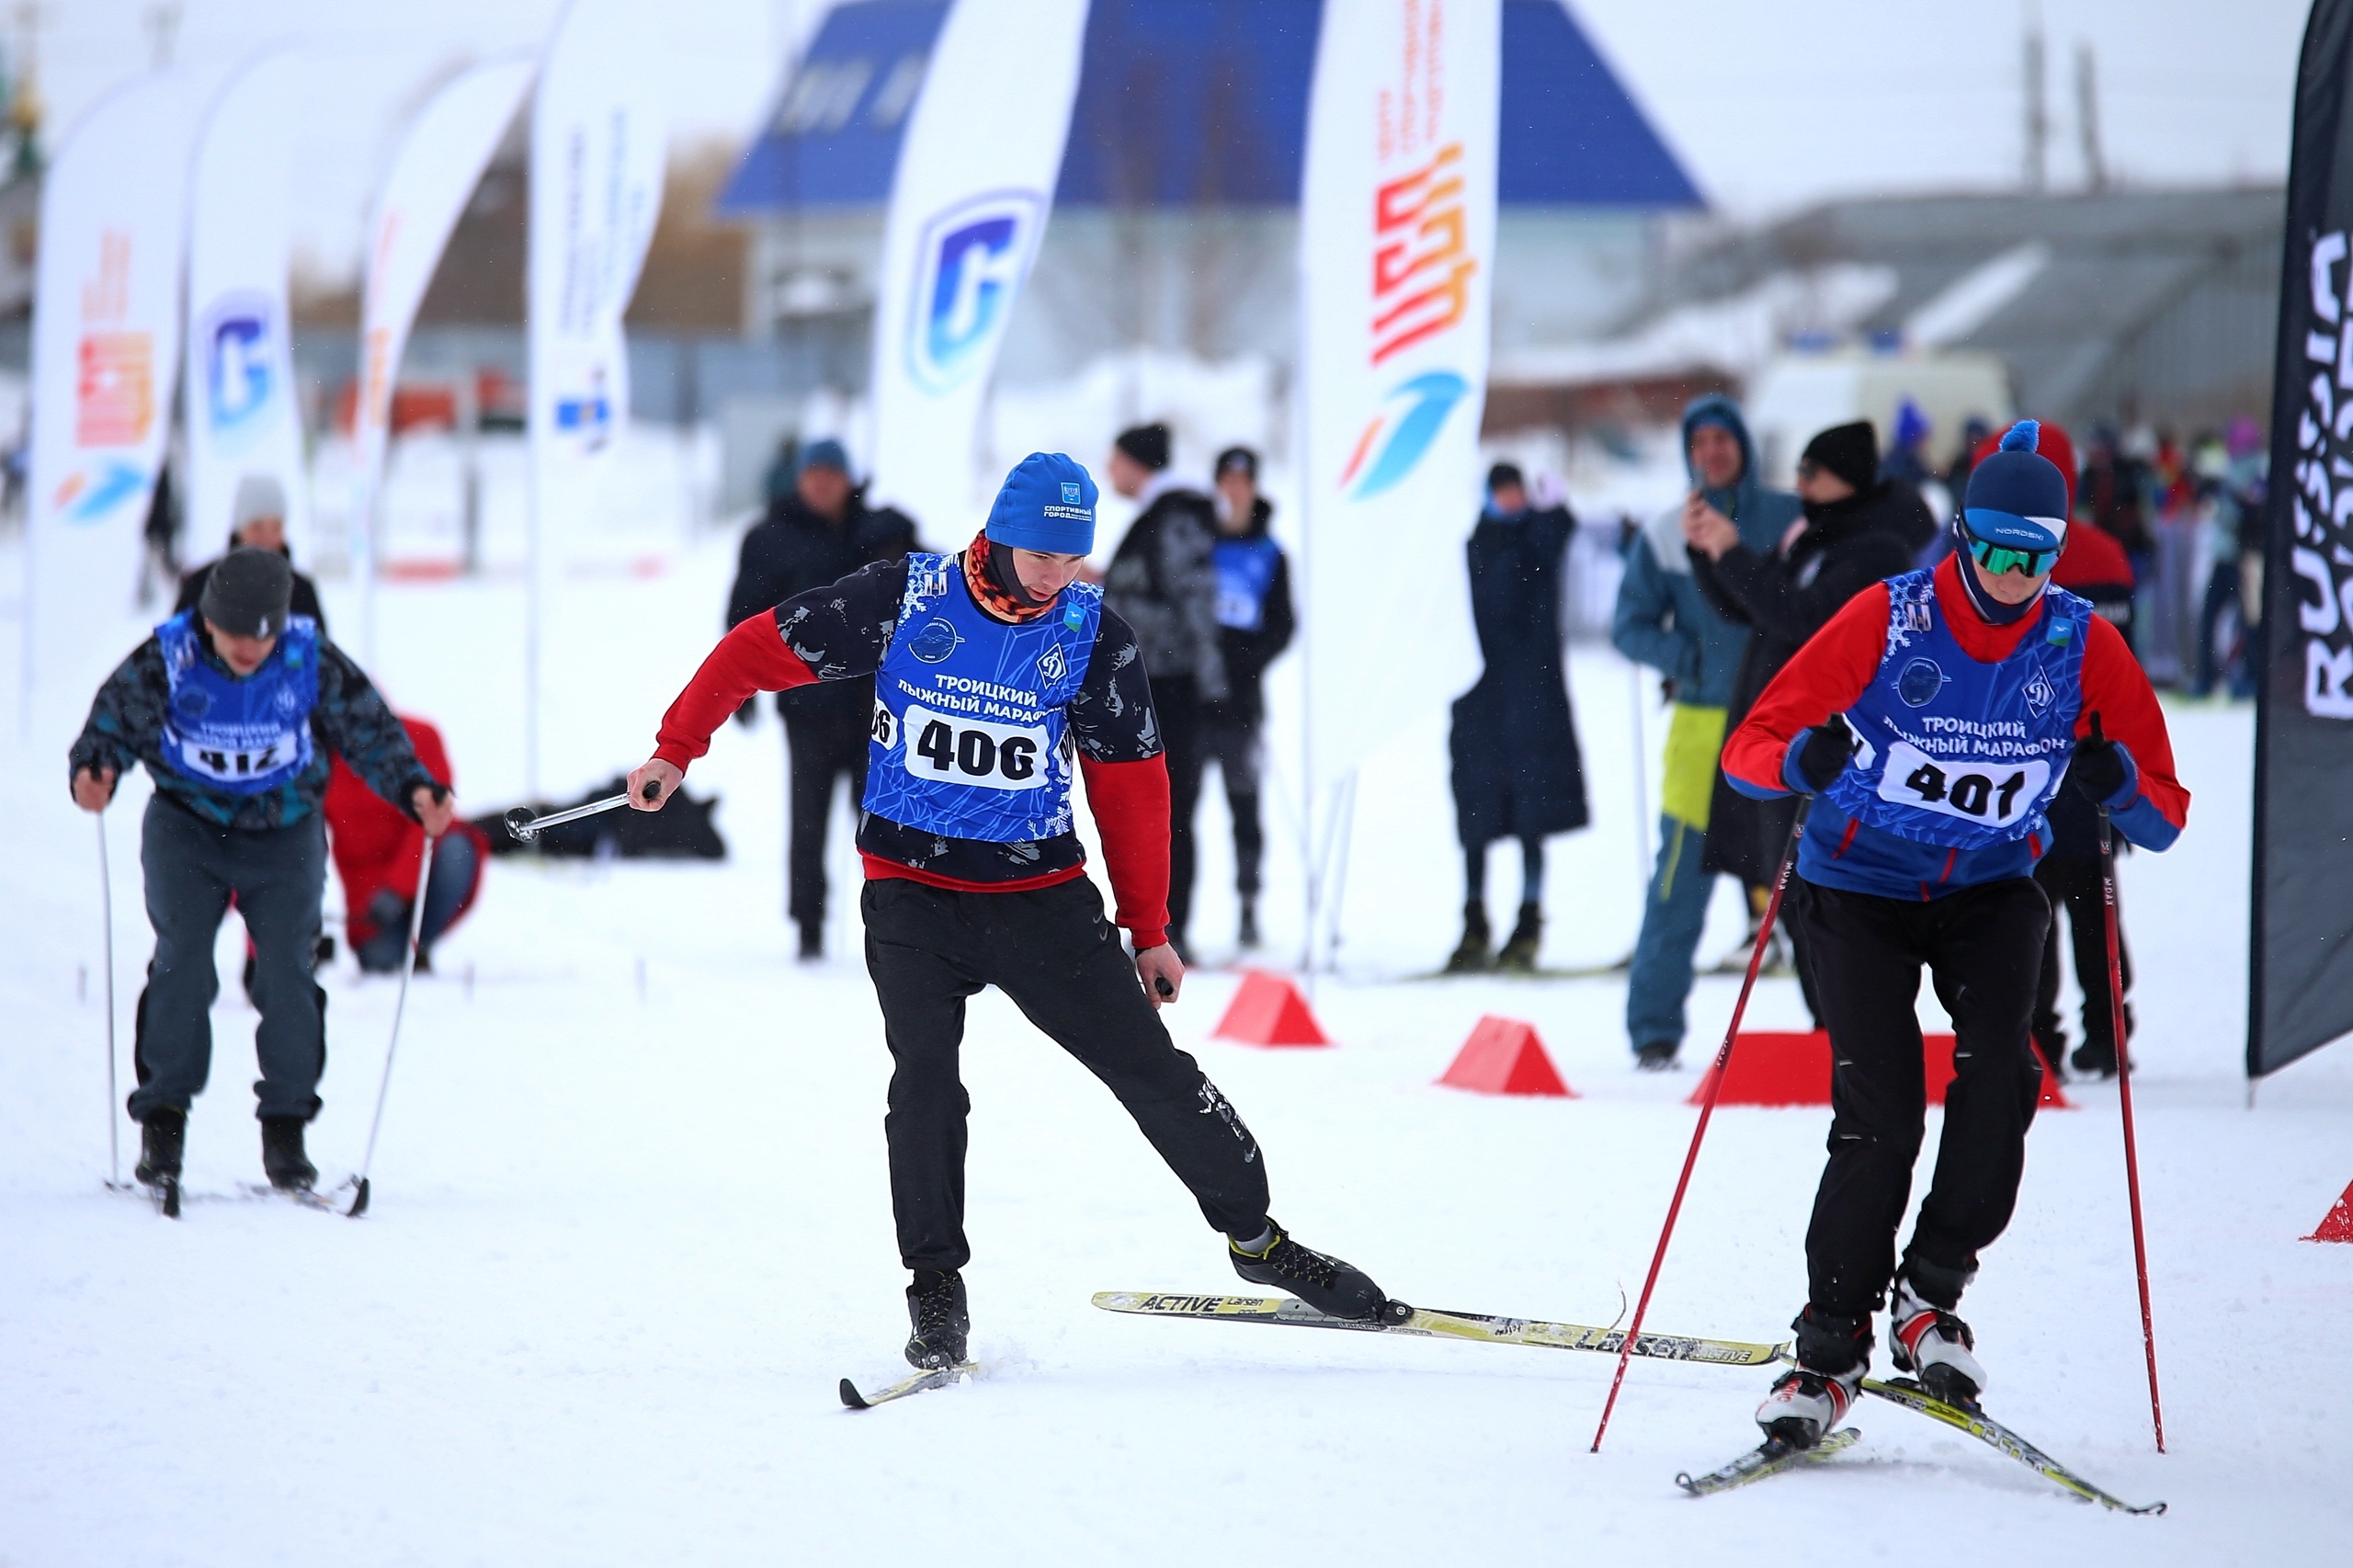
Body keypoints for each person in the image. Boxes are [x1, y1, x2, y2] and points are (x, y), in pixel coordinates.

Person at [624, 452, 1395, 1370]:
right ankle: (935, 1290)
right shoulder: (905, 597)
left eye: (1073, 558)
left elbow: (1132, 787)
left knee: (1151, 1070)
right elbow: (754, 649)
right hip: (911, 892)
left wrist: (1149, 928)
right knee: (924, 1085)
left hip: (1038, 899)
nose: (1055, 575)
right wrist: (676, 747)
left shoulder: (1092, 633)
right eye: (1040, 555)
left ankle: (1257, 1239)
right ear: (998, 534)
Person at [1722, 422, 2188, 1448]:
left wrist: (2115, 780)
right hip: (1858, 887)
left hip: (1989, 884)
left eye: (2037, 555)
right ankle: (1829, 1344)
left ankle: (1928, 1291)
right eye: (1996, 549)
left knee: (2005, 1075)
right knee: (1881, 1114)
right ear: (1963, 536)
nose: (2014, 575)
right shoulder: (1889, 618)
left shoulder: (2079, 641)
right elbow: (1749, 748)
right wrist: (1801, 761)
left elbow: (2163, 814)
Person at [69, 548, 457, 1194]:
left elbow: (370, 731)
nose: (250, 648)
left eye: (263, 634)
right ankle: (163, 1124)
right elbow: (112, 724)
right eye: (235, 633)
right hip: (187, 826)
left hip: (285, 832)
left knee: (287, 970)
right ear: (208, 620)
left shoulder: (308, 657)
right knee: (183, 961)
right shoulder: (169, 656)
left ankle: (286, 1130)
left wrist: (415, 789)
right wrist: (95, 770)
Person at [1687, 420, 1928, 1028]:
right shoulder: (1815, 533)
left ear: (1845, 478)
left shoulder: (1878, 548)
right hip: (1789, 740)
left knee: (1825, 900)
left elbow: (1803, 617)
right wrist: (1709, 552)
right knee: (1790, 894)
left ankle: (1851, 1033)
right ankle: (1832, 1032)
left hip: (1833, 748)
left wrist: (1733, 552)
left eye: (1810, 472)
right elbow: (1749, 605)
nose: (1799, 483)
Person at [1610, 395, 1800, 1060]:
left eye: (1723, 439)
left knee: (1804, 887)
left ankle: (1839, 1034)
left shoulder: (1789, 518)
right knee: (1678, 886)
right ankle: (1653, 1032)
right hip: (1701, 729)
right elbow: (1628, 624)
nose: (1712, 452)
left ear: (1743, 445)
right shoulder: (1667, 533)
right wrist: (1685, 660)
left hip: (1781, 726)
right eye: (1700, 442)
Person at [724, 438, 918, 959]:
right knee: (807, 822)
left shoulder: (881, 530)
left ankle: (899, 925)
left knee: (883, 823)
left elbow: (932, 591)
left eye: (833, 474)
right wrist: (738, 691)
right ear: (799, 479)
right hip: (806, 707)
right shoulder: (770, 537)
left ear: (849, 479)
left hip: (877, 709)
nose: (823, 483)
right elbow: (744, 615)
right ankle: (807, 926)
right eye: (814, 474)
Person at [1445, 464, 1588, 972]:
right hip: (1480, 706)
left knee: (1533, 817)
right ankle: (1474, 919)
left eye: (1515, 490)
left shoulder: (1537, 543)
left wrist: (1554, 513)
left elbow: (1554, 542)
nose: (1509, 499)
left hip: (1532, 706)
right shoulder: (1472, 548)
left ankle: (1528, 920)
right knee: (1477, 820)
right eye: (1501, 490)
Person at [1101, 422, 1228, 958]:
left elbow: (1196, 604)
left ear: (1136, 463)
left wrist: (1213, 688)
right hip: (1152, 687)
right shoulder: (1157, 517)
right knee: (1151, 812)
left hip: (1171, 691)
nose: (1109, 471)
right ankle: (1158, 926)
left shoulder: (1174, 519)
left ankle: (1170, 930)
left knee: (1169, 813)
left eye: (1115, 459)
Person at [1200, 445, 1295, 950]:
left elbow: (1283, 625)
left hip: (1240, 706)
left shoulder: (1271, 553)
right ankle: (1172, 920)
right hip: (1191, 702)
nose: (1234, 490)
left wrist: (1244, 661)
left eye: (1243, 481)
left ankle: (1249, 906)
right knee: (1176, 815)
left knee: (1245, 808)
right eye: (1227, 480)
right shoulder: (1197, 540)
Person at [325, 713, 488, 973]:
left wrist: (399, 888)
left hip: (424, 867)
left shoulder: (421, 736)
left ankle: (419, 942)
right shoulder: (319, 755)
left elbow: (430, 821)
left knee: (456, 851)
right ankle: (406, 945)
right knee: (380, 960)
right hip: (370, 897)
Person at [176, 473, 328, 635]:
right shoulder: (202, 584)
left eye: (276, 528)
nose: (267, 538)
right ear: (240, 528)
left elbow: (319, 645)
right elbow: (173, 642)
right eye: (257, 527)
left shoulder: (302, 591)